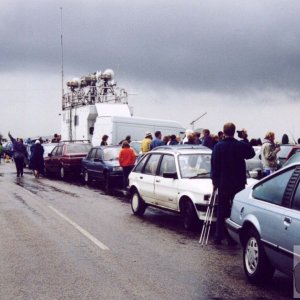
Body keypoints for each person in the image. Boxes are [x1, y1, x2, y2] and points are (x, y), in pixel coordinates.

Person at [211, 122, 255, 245]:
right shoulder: (240, 145)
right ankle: (232, 237)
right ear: (234, 132)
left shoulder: (218, 146)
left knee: (222, 209)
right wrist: (245, 138)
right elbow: (251, 153)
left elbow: (214, 164)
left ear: (223, 132)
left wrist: (214, 181)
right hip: (238, 182)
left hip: (223, 182)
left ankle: (218, 235)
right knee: (235, 210)